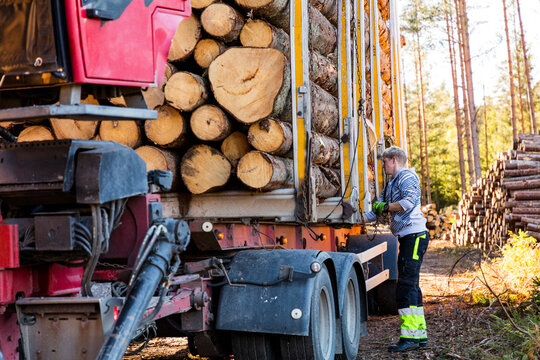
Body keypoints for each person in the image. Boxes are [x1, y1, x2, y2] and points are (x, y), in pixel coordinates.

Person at [363, 146, 429, 352]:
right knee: (412, 288)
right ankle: (419, 336)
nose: (383, 166)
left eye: (384, 162)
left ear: (394, 159)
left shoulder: (407, 177)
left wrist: (385, 208)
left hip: (415, 236)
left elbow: (408, 202)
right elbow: (379, 208)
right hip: (407, 237)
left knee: (405, 288)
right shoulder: (391, 182)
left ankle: (409, 338)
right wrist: (359, 215)